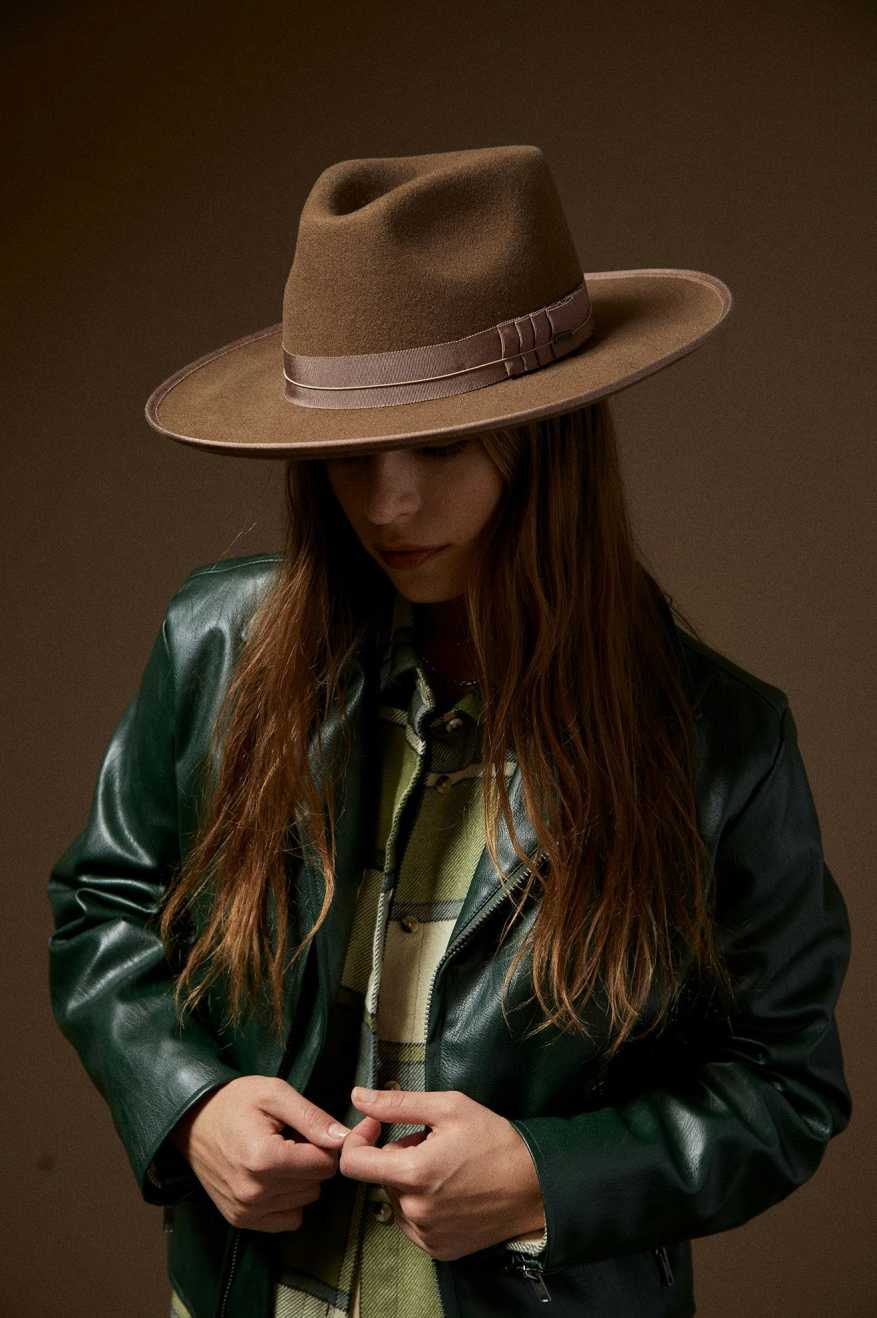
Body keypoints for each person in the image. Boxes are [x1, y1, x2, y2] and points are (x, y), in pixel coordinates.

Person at [48, 145, 852, 1318]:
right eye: (350, 455)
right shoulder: (218, 645)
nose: (389, 504)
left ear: (548, 443)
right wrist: (187, 1102)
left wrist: (545, 1175)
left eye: (439, 446)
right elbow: (103, 904)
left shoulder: (718, 740)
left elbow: (784, 1083)